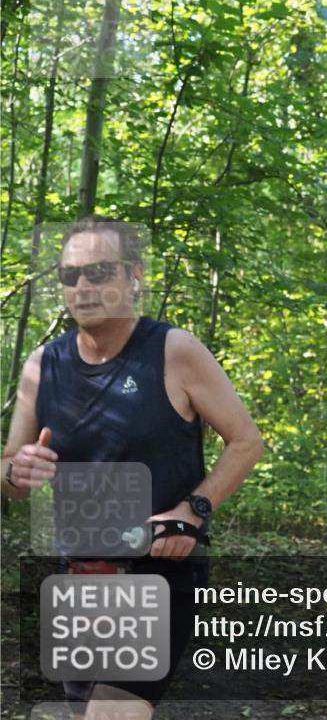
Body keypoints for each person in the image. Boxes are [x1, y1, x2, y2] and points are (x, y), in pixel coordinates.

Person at [1, 217, 264, 719]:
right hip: (78, 576)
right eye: (70, 275)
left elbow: (247, 442)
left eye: (99, 272)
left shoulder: (174, 352)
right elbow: (9, 472)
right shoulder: (43, 365)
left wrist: (193, 510)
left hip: (158, 573)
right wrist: (19, 469)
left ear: (134, 277)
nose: (83, 287)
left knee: (111, 714)